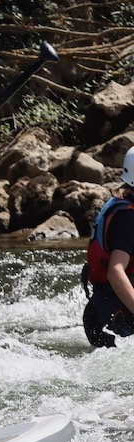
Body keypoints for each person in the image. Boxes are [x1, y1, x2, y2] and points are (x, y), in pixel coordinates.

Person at [82, 145, 134, 347]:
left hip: (103, 313)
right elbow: (115, 271)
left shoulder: (123, 205)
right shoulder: (128, 220)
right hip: (112, 321)